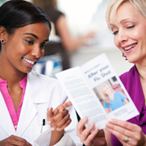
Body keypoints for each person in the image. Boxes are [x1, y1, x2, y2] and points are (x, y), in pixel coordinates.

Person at [0, 0, 82, 145]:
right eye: (29, 41)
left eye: (43, 45)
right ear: (3, 34)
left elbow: (74, 142)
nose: (38, 53)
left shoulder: (57, 91)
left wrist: (57, 133)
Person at [76, 0, 146, 145]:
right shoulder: (121, 85)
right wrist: (101, 144)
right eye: (115, 31)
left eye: (129, 26)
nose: (120, 38)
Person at [33, 0, 95, 70]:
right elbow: (69, 45)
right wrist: (87, 36)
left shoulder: (32, 16)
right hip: (58, 65)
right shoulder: (57, 15)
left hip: (39, 65)